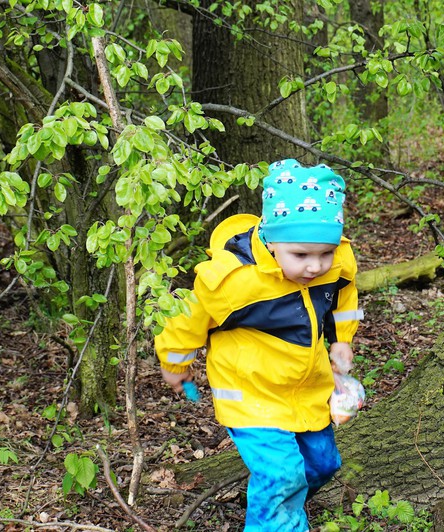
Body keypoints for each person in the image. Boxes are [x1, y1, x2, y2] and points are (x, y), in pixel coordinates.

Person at [155, 159, 363, 531]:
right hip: (250, 394)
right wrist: (175, 364)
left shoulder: (335, 265)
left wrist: (342, 340)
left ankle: (278, 506)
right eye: (301, 255)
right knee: (282, 475)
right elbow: (187, 319)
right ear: (271, 240)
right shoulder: (234, 281)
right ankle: (276, 519)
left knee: (322, 465)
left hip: (306, 391)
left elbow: (343, 297)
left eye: (325, 253)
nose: (315, 266)